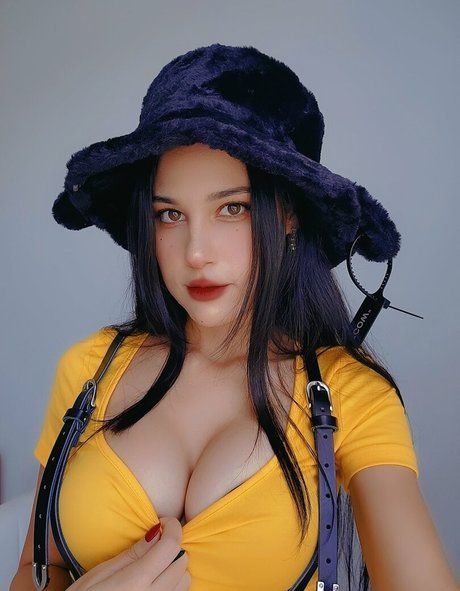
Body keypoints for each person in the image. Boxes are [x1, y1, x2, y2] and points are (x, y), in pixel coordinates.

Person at [11, 43, 457, 591]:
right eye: (170, 214)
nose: (196, 252)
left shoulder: (349, 392)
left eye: (232, 208)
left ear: (288, 215)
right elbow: (39, 569)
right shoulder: (90, 368)